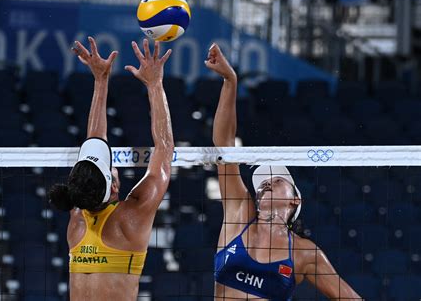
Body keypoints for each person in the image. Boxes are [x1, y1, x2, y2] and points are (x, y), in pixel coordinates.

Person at [205, 43, 361, 300]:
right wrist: (230, 81)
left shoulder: (304, 253)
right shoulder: (239, 216)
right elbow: (223, 146)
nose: (265, 184)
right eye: (262, 183)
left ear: (294, 199)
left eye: (275, 180)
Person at [47, 37, 174, 301]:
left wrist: (100, 81)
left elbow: (95, 139)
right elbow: (164, 147)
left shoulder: (76, 219)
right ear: (114, 187)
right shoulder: (132, 217)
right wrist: (154, 84)